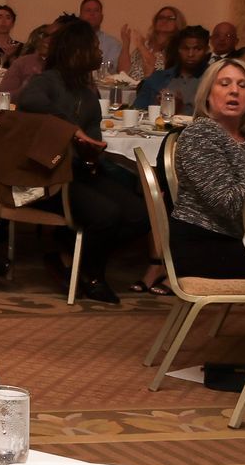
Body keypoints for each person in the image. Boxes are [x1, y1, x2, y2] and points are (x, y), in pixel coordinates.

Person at [16, 19, 150, 303]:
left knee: (140, 214)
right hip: (48, 176)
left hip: (81, 170)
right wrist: (70, 129)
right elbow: (29, 101)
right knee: (107, 214)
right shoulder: (46, 82)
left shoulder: (88, 94)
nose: (99, 53)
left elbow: (92, 137)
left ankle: (70, 252)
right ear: (76, 51)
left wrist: (92, 152)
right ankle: (92, 274)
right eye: (93, 47)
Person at [169, 58, 245, 279]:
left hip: (244, 238)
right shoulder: (200, 134)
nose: (234, 91)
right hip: (204, 242)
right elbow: (229, 204)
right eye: (224, 84)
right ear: (207, 93)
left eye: (243, 86)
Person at [134, 25, 211, 115]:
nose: (190, 54)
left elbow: (215, 121)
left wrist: (179, 109)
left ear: (206, 50)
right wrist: (157, 105)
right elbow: (136, 112)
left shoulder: (213, 81)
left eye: (197, 49)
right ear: (178, 49)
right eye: (185, 48)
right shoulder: (157, 78)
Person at [0, 20, 59, 96]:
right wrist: (24, 89)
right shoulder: (23, 62)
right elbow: (0, 97)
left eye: (55, 37)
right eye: (45, 35)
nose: (46, 40)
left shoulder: (70, 70)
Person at [124, 4, 186, 76]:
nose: (164, 21)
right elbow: (124, 72)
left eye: (170, 18)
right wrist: (126, 44)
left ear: (178, 22)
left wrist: (141, 46)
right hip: (131, 86)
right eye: (161, 17)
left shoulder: (178, 47)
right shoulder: (146, 44)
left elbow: (153, 67)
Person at [80, 0, 122, 69]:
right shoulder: (69, 41)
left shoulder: (113, 44)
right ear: (80, 16)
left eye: (96, 10)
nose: (92, 14)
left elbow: (111, 72)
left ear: (101, 17)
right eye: (88, 10)